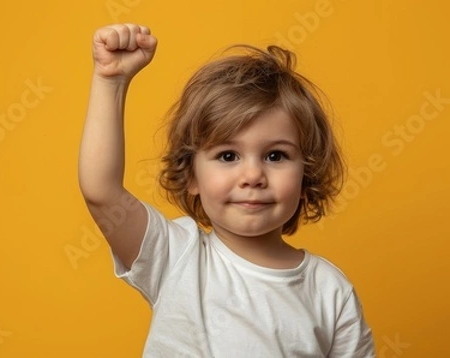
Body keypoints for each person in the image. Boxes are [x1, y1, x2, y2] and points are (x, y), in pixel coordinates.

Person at [79, 23, 375, 357]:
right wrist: (111, 82)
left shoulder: (330, 292)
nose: (252, 175)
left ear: (307, 175)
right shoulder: (176, 257)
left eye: (275, 155)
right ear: (192, 175)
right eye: (228, 156)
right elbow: (101, 191)